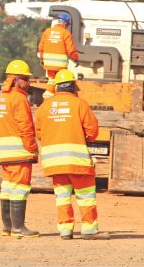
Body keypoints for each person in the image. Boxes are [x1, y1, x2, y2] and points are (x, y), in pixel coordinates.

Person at [34, 69, 110, 240]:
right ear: (73, 87)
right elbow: (92, 131)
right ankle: (89, 230)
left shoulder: (45, 107)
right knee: (86, 197)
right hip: (77, 162)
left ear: (57, 88)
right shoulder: (80, 104)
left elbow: (40, 133)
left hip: (54, 164)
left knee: (62, 198)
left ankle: (65, 231)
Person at [0, 59, 39, 238]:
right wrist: (32, 148)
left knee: (8, 188)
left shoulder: (0, 99)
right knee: (20, 189)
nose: (28, 83)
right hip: (19, 153)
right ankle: (19, 228)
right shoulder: (19, 99)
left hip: (5, 153)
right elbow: (25, 127)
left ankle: (8, 228)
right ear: (17, 79)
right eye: (26, 79)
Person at [38, 12, 79, 98]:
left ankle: (48, 96)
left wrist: (42, 58)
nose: (67, 26)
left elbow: (41, 47)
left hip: (48, 63)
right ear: (64, 23)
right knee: (62, 81)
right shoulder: (66, 33)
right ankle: (57, 97)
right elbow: (70, 49)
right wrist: (75, 59)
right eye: (67, 24)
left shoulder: (47, 31)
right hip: (60, 65)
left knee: (51, 80)